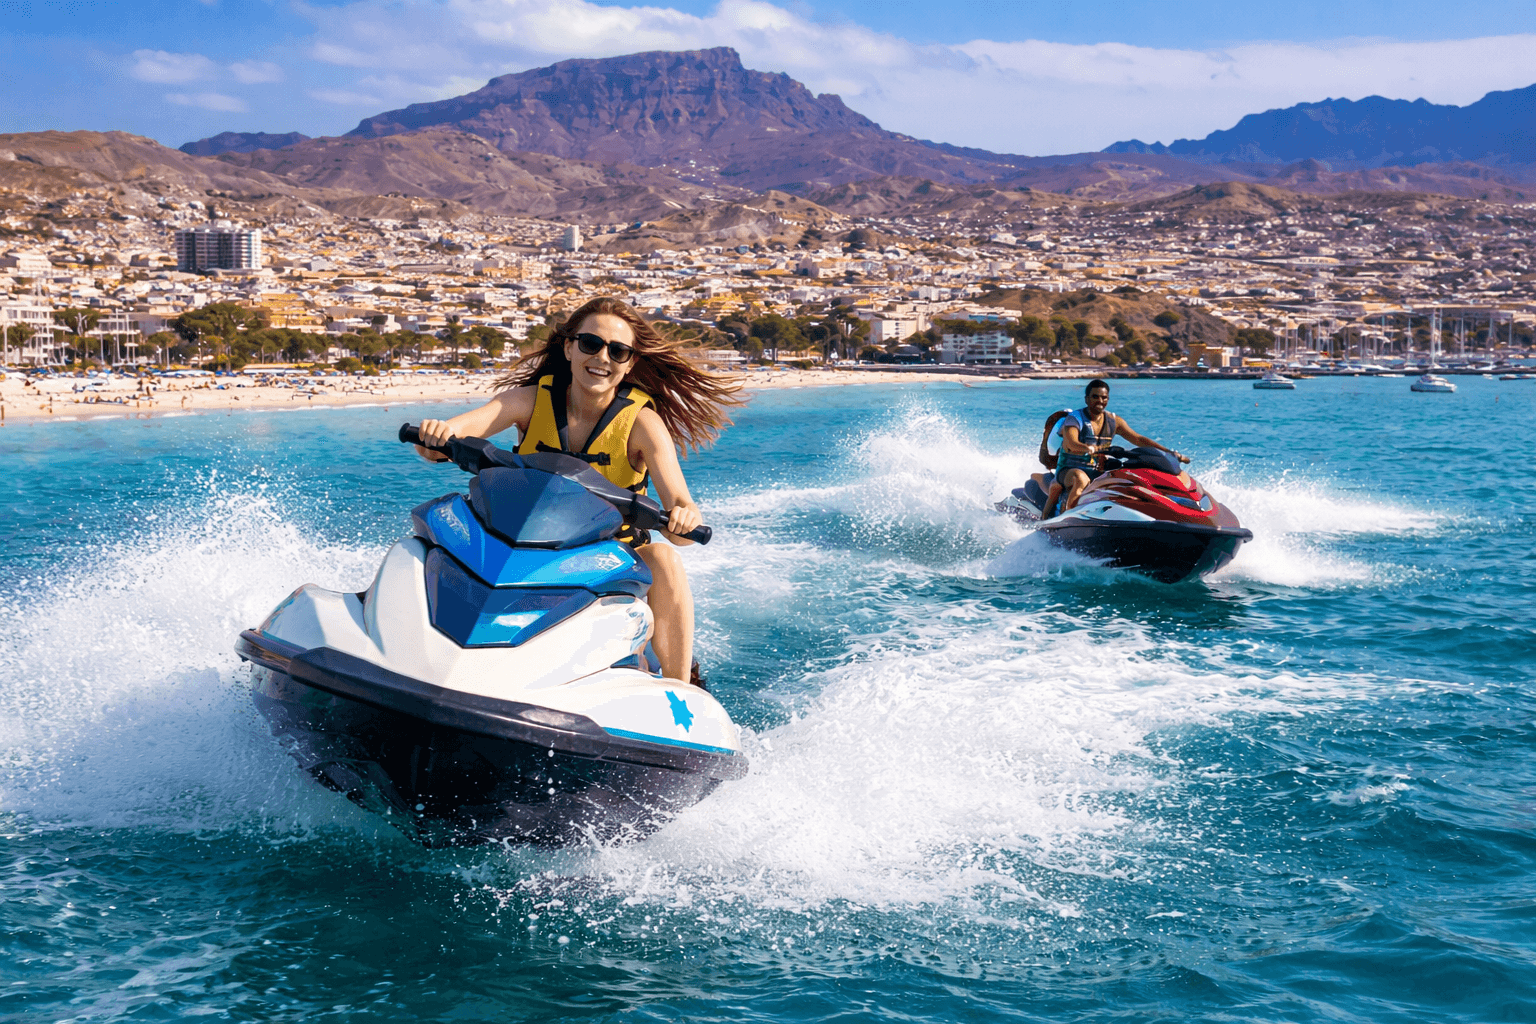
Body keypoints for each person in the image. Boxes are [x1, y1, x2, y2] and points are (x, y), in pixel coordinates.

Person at [414, 297, 742, 686]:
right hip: (521, 543)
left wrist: (685, 516)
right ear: (569, 347)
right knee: (443, 526)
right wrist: (435, 437)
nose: (602, 357)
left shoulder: (642, 423)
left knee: (665, 559)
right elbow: (443, 441)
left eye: (618, 350)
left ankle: (680, 687)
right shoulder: (530, 400)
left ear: (629, 363)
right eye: (591, 344)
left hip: (608, 555)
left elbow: (680, 509)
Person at [1057, 379, 1189, 511]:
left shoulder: (1114, 421)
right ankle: (1067, 519)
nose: (1100, 401)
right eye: (1095, 397)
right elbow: (1071, 443)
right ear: (1086, 399)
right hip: (1070, 469)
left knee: (1130, 478)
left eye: (1104, 397)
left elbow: (1138, 439)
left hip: (1098, 470)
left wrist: (1168, 453)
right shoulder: (1075, 419)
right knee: (1081, 479)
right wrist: (1088, 448)